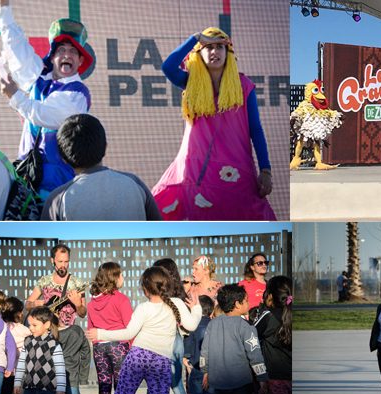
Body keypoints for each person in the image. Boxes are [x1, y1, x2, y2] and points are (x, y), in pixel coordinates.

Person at [153, 27, 275, 221]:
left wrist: (266, 170)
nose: (214, 52)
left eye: (220, 47)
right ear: (199, 54)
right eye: (208, 47)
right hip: (195, 169)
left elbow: (256, 130)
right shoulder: (190, 82)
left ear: (228, 53)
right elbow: (168, 67)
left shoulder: (243, 86)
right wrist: (195, 38)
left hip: (235, 169)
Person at [0, 0, 93, 197]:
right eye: (62, 50)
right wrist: (4, 8)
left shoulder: (77, 93)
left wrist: (15, 96)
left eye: (73, 52)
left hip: (57, 185)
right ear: (53, 57)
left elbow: (43, 114)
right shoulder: (39, 78)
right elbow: (17, 48)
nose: (67, 55)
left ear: (80, 61)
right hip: (27, 176)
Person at [85, 266, 202, 394]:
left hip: (137, 358)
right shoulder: (177, 304)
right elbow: (192, 326)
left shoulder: (143, 308)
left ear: (145, 289)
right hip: (161, 361)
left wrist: (100, 333)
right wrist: (196, 308)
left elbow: (128, 333)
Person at [41, 114, 162, 220]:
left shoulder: (56, 199)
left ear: (63, 158)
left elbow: (46, 245)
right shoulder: (135, 183)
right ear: (105, 147)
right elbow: (161, 235)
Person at [201, 284, 269, 394]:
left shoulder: (212, 324)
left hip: (219, 383)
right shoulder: (246, 326)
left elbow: (205, 351)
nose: (248, 304)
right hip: (241, 383)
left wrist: (205, 371)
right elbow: (255, 355)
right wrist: (262, 379)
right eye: (246, 301)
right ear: (237, 304)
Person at [87, 262, 133, 394]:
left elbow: (91, 328)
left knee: (104, 388)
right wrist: (133, 350)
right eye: (121, 274)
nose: (123, 277)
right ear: (115, 278)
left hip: (100, 348)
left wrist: (97, 344)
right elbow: (130, 329)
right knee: (121, 389)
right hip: (119, 348)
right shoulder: (122, 299)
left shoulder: (92, 302)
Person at [147, 258, 190, 394]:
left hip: (160, 340)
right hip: (177, 339)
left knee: (155, 385)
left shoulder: (157, 294)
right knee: (177, 384)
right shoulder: (181, 294)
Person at [14, 307, 66, 394]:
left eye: (34, 325)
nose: (30, 328)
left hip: (48, 390)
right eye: (29, 325)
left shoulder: (54, 344)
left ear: (47, 324)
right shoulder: (27, 341)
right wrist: (17, 382)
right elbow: (22, 362)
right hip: (29, 389)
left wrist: (61, 388)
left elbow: (60, 367)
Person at [255, 276, 293, 394]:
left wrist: (263, 307)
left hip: (275, 376)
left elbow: (251, 335)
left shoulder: (268, 316)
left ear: (270, 295)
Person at [26, 244, 87, 328]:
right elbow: (27, 305)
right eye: (60, 261)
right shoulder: (44, 281)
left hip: (67, 334)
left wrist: (78, 305)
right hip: (47, 332)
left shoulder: (77, 283)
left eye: (66, 262)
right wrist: (34, 304)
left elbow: (83, 314)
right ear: (52, 260)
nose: (63, 265)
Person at [184, 296, 216, 394]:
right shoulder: (215, 325)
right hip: (213, 370)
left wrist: (188, 363)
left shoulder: (192, 326)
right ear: (211, 310)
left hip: (196, 369)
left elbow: (186, 352)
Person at [1, 297, 32, 394]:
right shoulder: (24, 329)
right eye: (21, 311)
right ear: (17, 313)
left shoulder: (0, 328)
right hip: (20, 371)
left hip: (4, 371)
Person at [57, 319, 91, 394]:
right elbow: (86, 353)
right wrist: (83, 377)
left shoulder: (48, 332)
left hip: (50, 377)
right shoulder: (77, 331)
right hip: (71, 376)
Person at [239, 253, 270, 319]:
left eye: (266, 262)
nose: (264, 265)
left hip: (268, 321)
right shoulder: (244, 284)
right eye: (260, 263)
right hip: (250, 321)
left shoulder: (270, 285)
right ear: (252, 267)